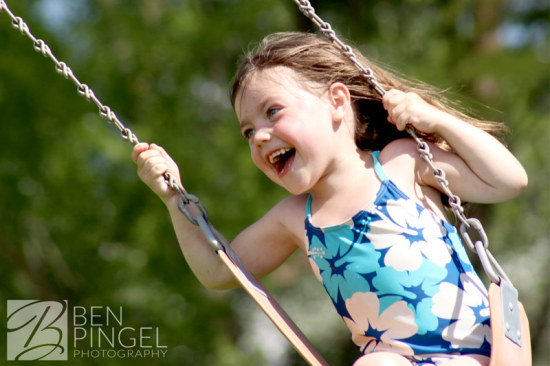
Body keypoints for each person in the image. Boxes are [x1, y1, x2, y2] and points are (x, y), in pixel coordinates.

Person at [132, 32, 527, 366]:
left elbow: (507, 181)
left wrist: (437, 120)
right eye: (248, 132)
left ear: (337, 102)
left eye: (273, 112)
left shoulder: (401, 163)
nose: (260, 136)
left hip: (476, 352)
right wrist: (172, 199)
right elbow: (220, 272)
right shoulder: (294, 219)